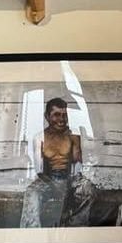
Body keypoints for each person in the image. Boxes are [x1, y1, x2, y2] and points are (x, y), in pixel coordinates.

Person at [20, 98, 95, 228]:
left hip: (70, 178)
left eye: (64, 115)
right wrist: (55, 185)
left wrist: (69, 182)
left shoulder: (73, 136)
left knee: (87, 188)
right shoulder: (39, 137)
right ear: (47, 116)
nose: (61, 119)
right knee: (31, 192)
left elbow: (78, 164)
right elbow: (39, 169)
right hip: (47, 179)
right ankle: (32, 233)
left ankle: (76, 227)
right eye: (56, 115)